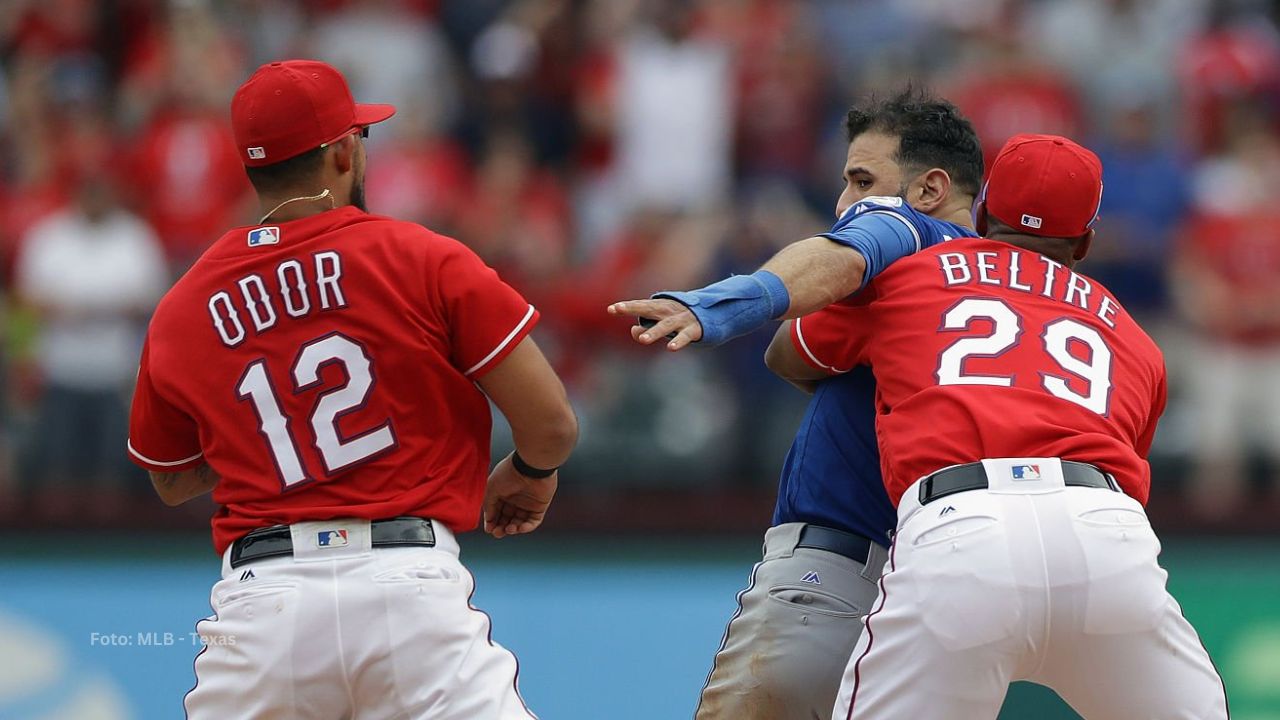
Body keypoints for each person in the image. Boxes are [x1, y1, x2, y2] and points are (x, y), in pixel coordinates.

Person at [126, 60, 578, 719]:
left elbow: (171, 479)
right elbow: (553, 424)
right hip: (408, 591)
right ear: (342, 151)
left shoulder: (184, 303)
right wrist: (531, 471)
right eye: (358, 138)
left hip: (264, 603)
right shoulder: (422, 256)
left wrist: (277, 446)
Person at [766, 134, 1227, 718]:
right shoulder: (1134, 338)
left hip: (960, 529)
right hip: (1105, 536)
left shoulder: (913, 273)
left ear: (982, 212)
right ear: (1084, 241)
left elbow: (787, 354)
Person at [615, 88, 984, 719]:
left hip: (834, 577)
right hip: (957, 595)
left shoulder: (909, 233)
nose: (846, 203)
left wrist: (716, 305)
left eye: (862, 181)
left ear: (929, 190)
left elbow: (798, 326)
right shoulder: (1024, 290)